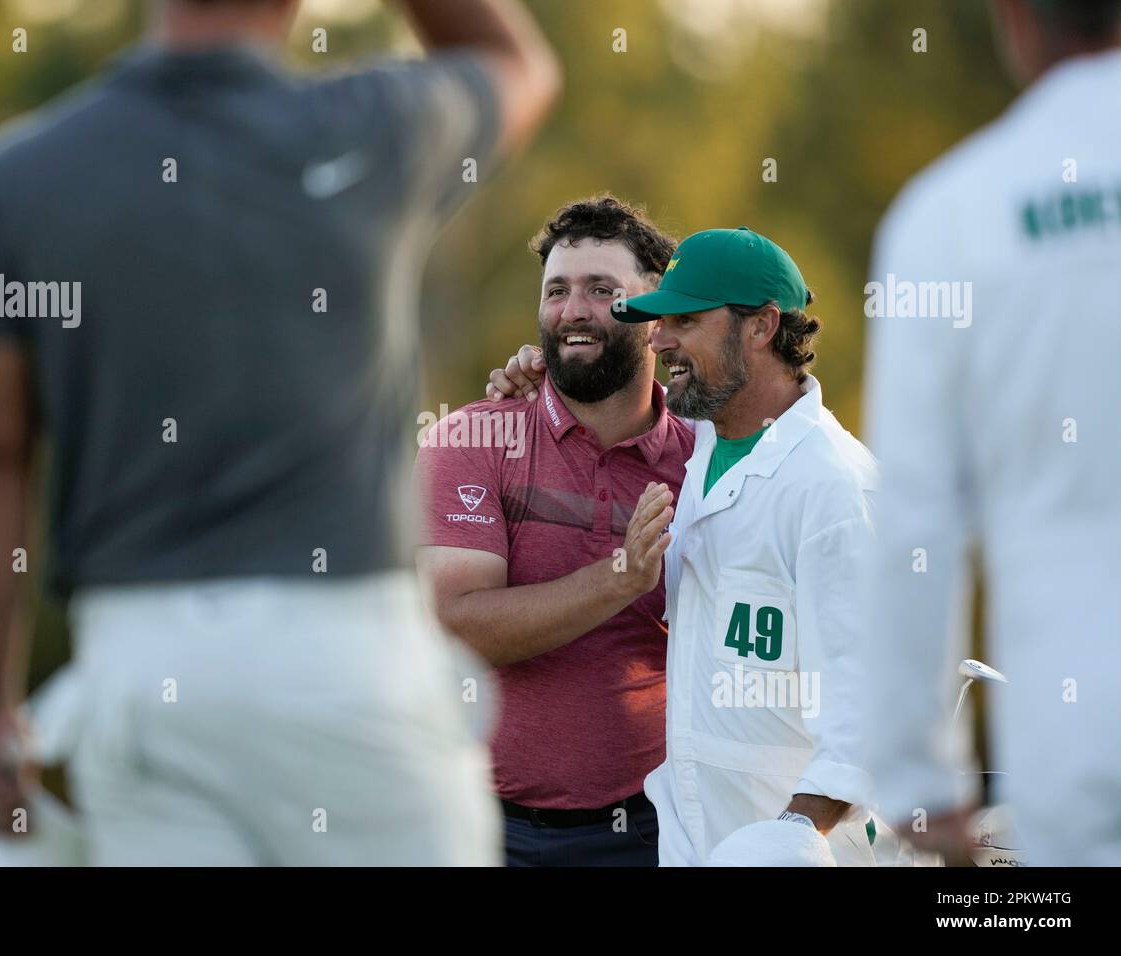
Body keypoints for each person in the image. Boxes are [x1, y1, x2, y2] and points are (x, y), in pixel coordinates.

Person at [0, 0, 559, 865]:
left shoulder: (21, 174)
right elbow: (517, 61)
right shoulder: (377, 126)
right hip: (351, 668)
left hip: (142, 679)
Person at [491, 228, 883, 865]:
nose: (660, 340)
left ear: (760, 327)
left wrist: (790, 834)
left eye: (686, 321)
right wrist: (545, 376)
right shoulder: (701, 444)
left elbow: (876, 710)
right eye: (660, 321)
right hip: (688, 844)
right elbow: (615, 399)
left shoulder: (835, 488)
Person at [861, 0, 1121, 865]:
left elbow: (913, 526)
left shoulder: (948, 217)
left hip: (1076, 757)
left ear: (1010, 16)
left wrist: (918, 786)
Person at [415, 196, 693, 865]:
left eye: (603, 291)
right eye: (558, 291)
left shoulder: (705, 459)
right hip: (480, 828)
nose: (574, 310)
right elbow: (457, 622)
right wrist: (618, 578)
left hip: (653, 829)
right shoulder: (470, 436)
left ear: (654, 316)